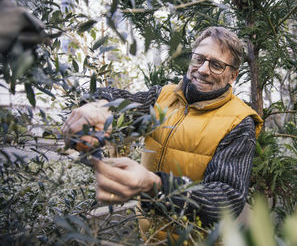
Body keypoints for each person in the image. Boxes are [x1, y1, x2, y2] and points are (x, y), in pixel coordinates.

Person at [62, 26, 263, 242]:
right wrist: (97, 108)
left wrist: (155, 186)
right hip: (149, 236)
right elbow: (123, 104)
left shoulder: (239, 122)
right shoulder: (164, 97)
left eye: (216, 65)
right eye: (198, 59)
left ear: (233, 75)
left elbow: (225, 199)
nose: (203, 69)